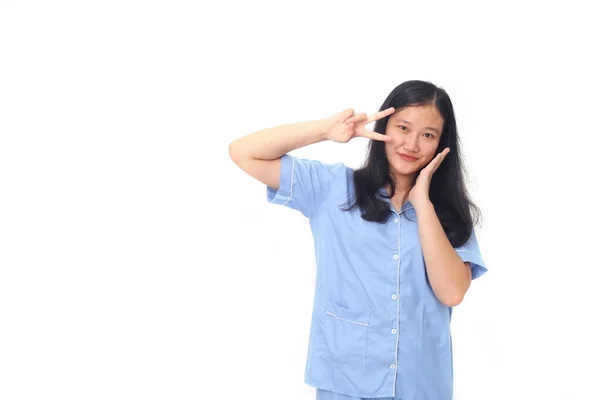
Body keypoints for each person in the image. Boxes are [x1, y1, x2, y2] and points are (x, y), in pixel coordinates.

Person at [228, 80, 487, 400]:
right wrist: (325, 130)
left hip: (421, 385)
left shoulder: (449, 215)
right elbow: (243, 153)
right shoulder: (333, 187)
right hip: (346, 384)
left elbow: (451, 292)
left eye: (428, 135)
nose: (412, 144)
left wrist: (422, 202)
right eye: (403, 128)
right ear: (383, 127)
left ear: (441, 145)